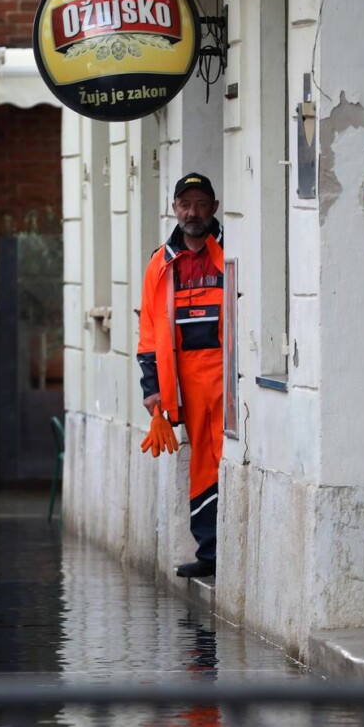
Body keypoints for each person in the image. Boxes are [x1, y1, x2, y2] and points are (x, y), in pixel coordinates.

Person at [137, 172, 225, 578]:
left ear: (214, 208)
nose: (193, 212)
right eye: (185, 204)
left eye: (200, 203)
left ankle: (221, 551)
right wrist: (152, 388)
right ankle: (209, 553)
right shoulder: (160, 262)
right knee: (201, 461)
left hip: (226, 373)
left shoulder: (229, 252)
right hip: (185, 379)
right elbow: (150, 330)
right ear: (175, 209)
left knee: (220, 454)